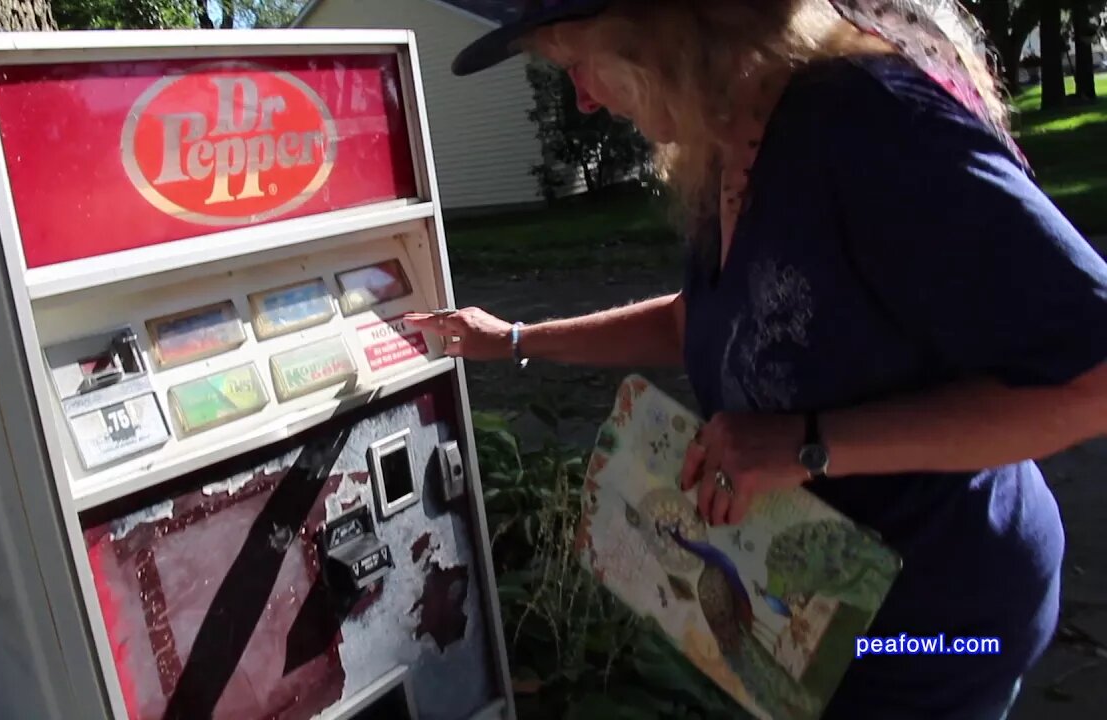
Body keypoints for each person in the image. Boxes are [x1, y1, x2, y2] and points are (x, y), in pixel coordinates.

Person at [405, 1, 1107, 718]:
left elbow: (1095, 379)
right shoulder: (736, 133)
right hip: (827, 616)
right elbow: (701, 319)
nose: (582, 100)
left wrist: (809, 444)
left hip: (939, 626)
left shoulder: (868, 124)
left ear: (667, 30)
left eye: (577, 65)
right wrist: (516, 339)